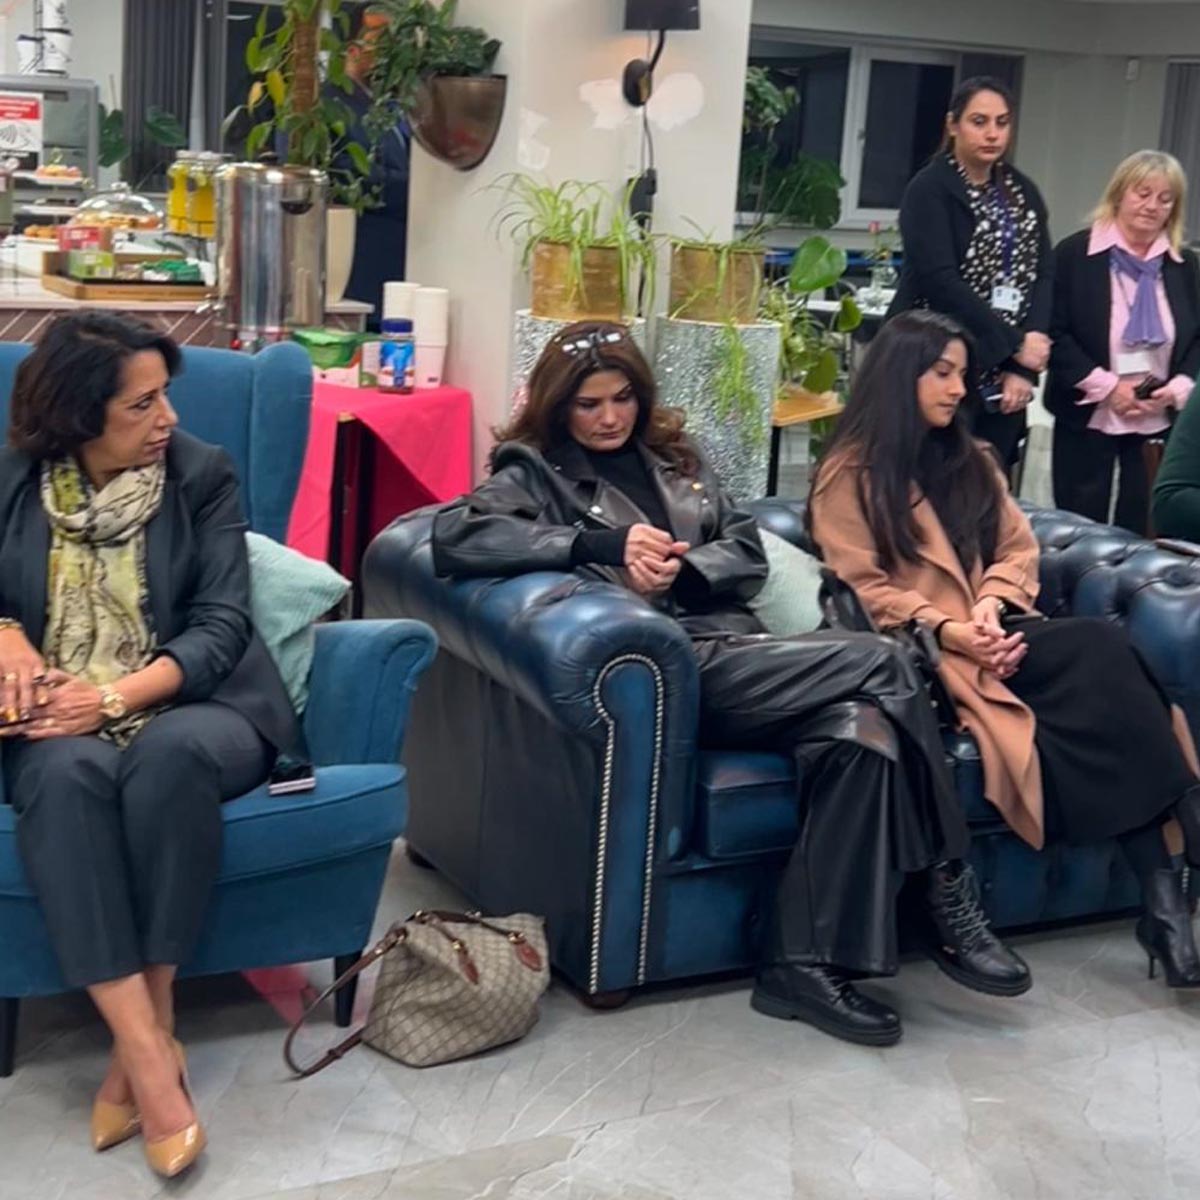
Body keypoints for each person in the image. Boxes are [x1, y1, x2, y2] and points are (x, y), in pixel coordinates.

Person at [431, 319, 1031, 1049]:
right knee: (888, 660)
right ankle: (945, 878)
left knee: (860, 734)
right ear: (561, 409)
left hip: (746, 653)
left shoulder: (677, 460)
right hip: (679, 668)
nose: (609, 417)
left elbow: (744, 547)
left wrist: (688, 568)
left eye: (622, 398)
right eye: (589, 405)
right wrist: (600, 546)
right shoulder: (532, 473)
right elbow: (456, 538)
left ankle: (798, 965)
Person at [808, 309, 1200, 991]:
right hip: (925, 655)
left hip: (998, 630)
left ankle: (1164, 906)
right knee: (1101, 660)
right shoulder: (850, 473)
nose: (959, 388)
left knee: (1105, 665)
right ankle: (1180, 844)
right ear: (901, 377)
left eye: (963, 373)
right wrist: (951, 627)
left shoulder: (971, 459)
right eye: (942, 373)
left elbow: (1017, 547)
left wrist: (991, 602)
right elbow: (860, 586)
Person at [0, 312, 298, 1177]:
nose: (166, 418)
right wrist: (6, 631)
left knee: (166, 757)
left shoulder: (202, 475)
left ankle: (145, 1052)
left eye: (165, 396)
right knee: (64, 774)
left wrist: (110, 697)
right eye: (142, 404)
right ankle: (148, 1052)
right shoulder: (15, 480)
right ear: (78, 414)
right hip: (53, 717)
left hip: (196, 701)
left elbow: (219, 627)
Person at [888, 76, 1053, 469]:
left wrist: (1021, 367)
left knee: (988, 488)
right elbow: (940, 281)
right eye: (979, 121)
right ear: (953, 125)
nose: (992, 134)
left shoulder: (1022, 190)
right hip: (935, 357)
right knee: (930, 480)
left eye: (1002, 122)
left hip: (1004, 372)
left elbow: (1045, 274)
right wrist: (1014, 344)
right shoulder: (929, 188)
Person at [1049, 150, 1200, 534]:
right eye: (1142, 193)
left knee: (1143, 530)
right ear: (1119, 194)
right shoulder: (1074, 254)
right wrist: (1109, 387)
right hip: (1089, 412)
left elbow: (1197, 337)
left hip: (1158, 418)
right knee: (1079, 531)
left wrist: (1179, 388)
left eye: (1164, 199)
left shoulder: (1185, 265)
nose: (1152, 206)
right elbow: (1054, 332)